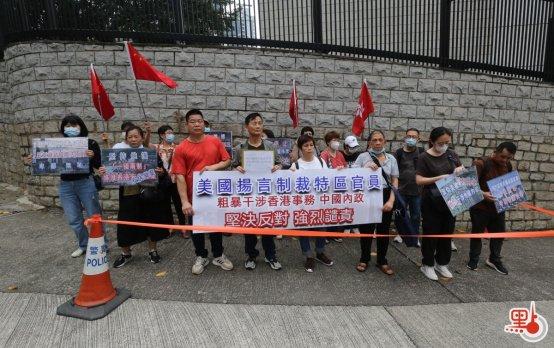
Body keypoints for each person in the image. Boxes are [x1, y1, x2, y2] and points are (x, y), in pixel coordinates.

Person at [24, 114, 104, 258]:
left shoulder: (90, 143)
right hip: (65, 185)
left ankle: (100, 245)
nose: (71, 128)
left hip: (86, 182)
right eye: (67, 126)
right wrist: (34, 159)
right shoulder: (57, 145)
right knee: (74, 218)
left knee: (94, 215)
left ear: (81, 126)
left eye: (74, 125)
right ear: (63, 128)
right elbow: (47, 161)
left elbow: (99, 165)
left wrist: (92, 157)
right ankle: (83, 245)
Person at [99, 126, 173, 268]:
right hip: (128, 195)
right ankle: (126, 253)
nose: (133, 139)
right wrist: (104, 171)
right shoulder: (120, 155)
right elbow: (110, 173)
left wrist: (161, 172)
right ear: (126, 139)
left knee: (151, 224)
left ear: (141, 137)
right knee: (125, 225)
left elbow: (162, 172)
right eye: (130, 137)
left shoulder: (150, 153)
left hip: (149, 194)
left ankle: (153, 250)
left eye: (136, 136)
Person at [171, 109, 233, 275]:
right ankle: (200, 256)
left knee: (216, 226)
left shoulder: (214, 142)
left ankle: (218, 255)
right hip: (194, 197)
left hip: (215, 195)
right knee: (196, 228)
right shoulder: (181, 148)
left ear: (204, 123)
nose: (197, 124)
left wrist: (213, 167)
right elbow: (180, 176)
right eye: (193, 121)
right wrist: (185, 201)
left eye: (200, 121)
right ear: (187, 124)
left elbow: (227, 160)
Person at [232, 113, 283, 271]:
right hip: (248, 195)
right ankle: (251, 255)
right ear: (247, 127)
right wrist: (236, 168)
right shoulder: (240, 148)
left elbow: (280, 163)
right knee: (249, 227)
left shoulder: (271, 146)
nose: (258, 126)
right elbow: (233, 166)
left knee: (267, 225)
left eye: (260, 123)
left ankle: (270, 255)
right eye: (254, 123)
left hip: (266, 195)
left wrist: (277, 167)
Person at [416, 127, 464, 281]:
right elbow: (419, 180)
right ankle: (427, 264)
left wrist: (461, 170)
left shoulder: (452, 154)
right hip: (431, 200)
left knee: (447, 232)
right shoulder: (424, 157)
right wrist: (438, 178)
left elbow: (459, 169)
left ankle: (442, 263)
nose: (444, 145)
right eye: (440, 143)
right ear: (432, 141)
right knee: (431, 233)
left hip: (451, 199)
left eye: (447, 143)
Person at [467, 142, 517, 275]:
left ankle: (494, 259)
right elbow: (467, 184)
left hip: (498, 207)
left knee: (499, 234)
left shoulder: (508, 166)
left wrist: (512, 197)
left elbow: (508, 184)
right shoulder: (481, 163)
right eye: (503, 156)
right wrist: (483, 194)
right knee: (477, 233)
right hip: (480, 207)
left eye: (508, 158)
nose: (504, 160)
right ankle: (473, 259)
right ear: (496, 151)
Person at [353, 130, 398, 276]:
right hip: (367, 195)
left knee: (383, 230)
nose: (377, 142)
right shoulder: (362, 157)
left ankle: (382, 260)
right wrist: (365, 168)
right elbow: (352, 176)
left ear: (385, 141)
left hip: (385, 195)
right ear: (369, 142)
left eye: (380, 139)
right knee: (366, 230)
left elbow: (395, 181)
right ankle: (364, 258)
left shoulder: (391, 158)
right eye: (374, 140)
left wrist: (391, 200)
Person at [290, 134, 334, 273]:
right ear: (301, 148)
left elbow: (329, 180)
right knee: (304, 231)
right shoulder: (295, 165)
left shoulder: (321, 162)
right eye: (305, 146)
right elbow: (290, 186)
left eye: (311, 145)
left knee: (321, 230)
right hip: (303, 205)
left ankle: (320, 253)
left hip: (319, 204)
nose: (309, 148)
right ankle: (308, 256)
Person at [151, 125, 189, 238]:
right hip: (163, 181)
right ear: (162, 135)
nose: (171, 135)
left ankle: (183, 227)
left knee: (179, 204)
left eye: (172, 132)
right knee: (165, 205)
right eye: (168, 133)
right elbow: (145, 145)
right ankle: (170, 227)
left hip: (176, 180)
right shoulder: (156, 148)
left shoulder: (178, 147)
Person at [393, 128, 424, 247]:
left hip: (417, 191)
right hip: (401, 190)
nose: (411, 139)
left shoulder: (422, 152)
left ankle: (414, 237)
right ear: (405, 138)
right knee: (400, 214)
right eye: (409, 136)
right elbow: (394, 171)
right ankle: (401, 234)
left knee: (416, 215)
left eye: (414, 137)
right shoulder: (399, 153)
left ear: (418, 139)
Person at [320, 131, 348, 243]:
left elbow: (345, 167)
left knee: (337, 210)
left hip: (340, 186)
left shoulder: (340, 154)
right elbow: (322, 171)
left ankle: (335, 233)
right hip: (328, 188)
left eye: (338, 140)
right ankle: (326, 234)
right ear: (328, 142)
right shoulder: (324, 154)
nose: (336, 142)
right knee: (328, 210)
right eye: (334, 140)